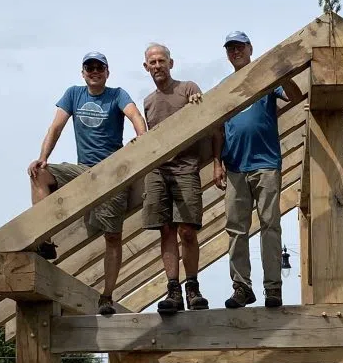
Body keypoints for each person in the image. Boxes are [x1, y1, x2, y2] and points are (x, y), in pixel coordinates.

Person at [27, 52, 147, 315]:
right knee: (38, 173)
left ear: (107, 72)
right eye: (89, 68)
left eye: (99, 68)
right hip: (82, 170)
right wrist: (43, 158)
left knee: (113, 236)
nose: (94, 72)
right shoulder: (74, 94)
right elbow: (55, 127)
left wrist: (143, 140)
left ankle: (106, 296)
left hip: (112, 171)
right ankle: (45, 239)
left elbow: (135, 115)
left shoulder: (117, 94)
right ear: (83, 73)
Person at [212, 30, 301, 309]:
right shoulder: (225, 87)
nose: (235, 52)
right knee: (236, 229)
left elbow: (296, 97)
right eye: (230, 48)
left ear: (250, 48)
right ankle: (242, 287)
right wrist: (217, 162)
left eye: (239, 47)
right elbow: (217, 129)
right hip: (235, 165)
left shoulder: (266, 78)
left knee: (269, 226)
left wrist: (282, 73)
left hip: (265, 163)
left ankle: (273, 288)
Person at [141, 43, 209, 314]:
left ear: (171, 63)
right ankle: (173, 289)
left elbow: (207, 120)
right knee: (165, 230)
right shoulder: (148, 102)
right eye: (152, 62)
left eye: (161, 61)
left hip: (186, 168)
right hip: (158, 170)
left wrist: (197, 104)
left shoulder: (188, 88)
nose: (157, 66)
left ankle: (192, 286)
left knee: (187, 230)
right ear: (146, 67)